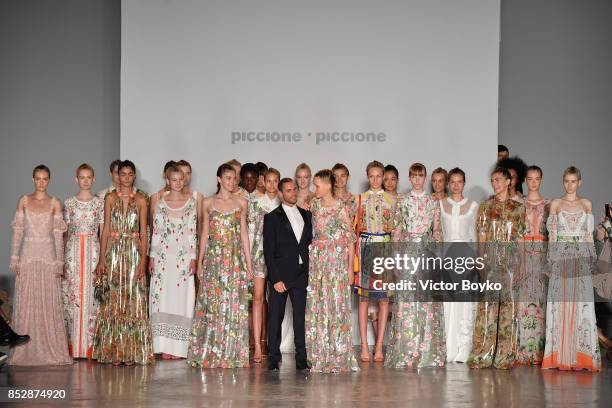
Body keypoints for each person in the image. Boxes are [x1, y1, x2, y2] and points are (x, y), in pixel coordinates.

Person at [187, 164, 253, 368]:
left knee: (233, 303)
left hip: (234, 259)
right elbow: (204, 233)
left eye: (234, 178)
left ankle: (231, 352)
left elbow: (243, 234)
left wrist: (249, 264)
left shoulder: (242, 202)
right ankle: (211, 350)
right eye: (227, 178)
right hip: (214, 260)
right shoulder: (207, 203)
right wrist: (200, 261)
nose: (232, 182)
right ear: (219, 179)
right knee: (213, 304)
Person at [9, 165, 72, 366]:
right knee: (27, 300)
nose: (41, 182)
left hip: (47, 256)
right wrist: (14, 258)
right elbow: (18, 231)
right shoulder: (24, 201)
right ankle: (23, 352)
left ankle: (51, 349)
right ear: (33, 179)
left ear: (49, 180)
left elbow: (57, 236)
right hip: (27, 255)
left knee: (48, 301)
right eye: (38, 178)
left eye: (45, 179)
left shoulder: (55, 203)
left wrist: (59, 263)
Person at [92, 160, 154, 365]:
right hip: (114, 253)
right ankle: (114, 350)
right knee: (114, 299)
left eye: (130, 174)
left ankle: (132, 351)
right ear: (117, 176)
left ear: (134, 176)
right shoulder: (110, 198)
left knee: (133, 300)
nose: (126, 178)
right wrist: (102, 260)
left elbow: (145, 232)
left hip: (135, 252)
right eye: (123, 174)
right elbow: (106, 230)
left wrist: (143, 262)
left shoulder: (142, 199)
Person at [385, 163, 445, 368]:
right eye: (414, 176)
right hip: (408, 252)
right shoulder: (402, 201)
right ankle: (407, 350)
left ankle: (426, 350)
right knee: (407, 300)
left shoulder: (432, 202)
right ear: (409, 178)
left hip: (427, 252)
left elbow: (437, 231)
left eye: (421, 176)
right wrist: (395, 258)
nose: (418, 180)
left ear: (425, 178)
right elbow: (396, 231)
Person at [542, 166, 601, 371]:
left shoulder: (587, 204)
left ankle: (580, 356)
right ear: (563, 181)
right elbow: (553, 237)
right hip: (561, 258)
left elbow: (587, 236)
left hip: (581, 258)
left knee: (581, 305)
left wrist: (592, 261)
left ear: (579, 182)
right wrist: (550, 261)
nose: (569, 185)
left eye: (573, 181)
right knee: (560, 305)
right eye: (566, 181)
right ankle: (560, 356)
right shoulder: (556, 204)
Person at [467, 167, 527, 370]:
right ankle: (482, 354)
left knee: (509, 310)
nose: (495, 183)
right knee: (487, 310)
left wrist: (521, 265)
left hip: (511, 263)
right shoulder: (485, 207)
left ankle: (504, 356)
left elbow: (520, 239)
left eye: (499, 180)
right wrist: (481, 261)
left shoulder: (519, 209)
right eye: (492, 180)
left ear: (509, 181)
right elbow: (481, 237)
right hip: (491, 262)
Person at [305, 170, 358, 373]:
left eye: (317, 185)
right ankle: (321, 353)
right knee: (319, 304)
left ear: (328, 185)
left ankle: (338, 353)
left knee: (335, 304)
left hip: (336, 263)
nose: (314, 189)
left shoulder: (341, 208)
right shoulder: (315, 205)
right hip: (318, 263)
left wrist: (349, 269)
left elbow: (351, 239)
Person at [264, 178, 313, 371]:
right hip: (281, 276)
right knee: (276, 317)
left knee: (300, 318)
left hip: (302, 274)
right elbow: (268, 251)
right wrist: (275, 278)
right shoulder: (271, 217)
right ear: (281, 193)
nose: (293, 193)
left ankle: (302, 357)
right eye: (289, 190)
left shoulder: (307, 215)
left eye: (294, 190)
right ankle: (273, 357)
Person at [149, 165, 197, 359]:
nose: (178, 182)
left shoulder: (191, 203)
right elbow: (157, 231)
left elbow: (192, 232)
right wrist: (152, 257)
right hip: (163, 258)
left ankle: (178, 348)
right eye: (174, 179)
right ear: (167, 181)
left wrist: (193, 258)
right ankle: (163, 345)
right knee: (163, 299)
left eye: (180, 179)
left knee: (180, 299)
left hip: (183, 259)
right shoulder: (161, 203)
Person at [354, 161, 397, 362]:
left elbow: (396, 231)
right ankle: (364, 346)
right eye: (372, 176)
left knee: (383, 299)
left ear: (383, 177)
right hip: (366, 248)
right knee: (364, 299)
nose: (375, 180)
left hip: (385, 248)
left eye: (379, 176)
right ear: (367, 176)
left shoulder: (392, 200)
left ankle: (379, 346)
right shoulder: (359, 199)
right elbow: (354, 231)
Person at [62, 163, 105, 359]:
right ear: (76, 179)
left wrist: (102, 258)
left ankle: (89, 347)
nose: (86, 181)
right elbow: (64, 233)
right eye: (82, 177)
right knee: (73, 295)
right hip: (73, 251)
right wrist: (61, 258)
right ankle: (73, 347)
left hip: (93, 250)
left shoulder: (99, 203)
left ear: (94, 179)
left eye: (89, 177)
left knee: (91, 297)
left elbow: (103, 232)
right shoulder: (69, 203)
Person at [440, 167, 479, 363]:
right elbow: (438, 235)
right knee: (448, 302)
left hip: (465, 255)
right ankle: (448, 346)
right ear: (448, 183)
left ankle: (464, 347)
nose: (456, 185)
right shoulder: (440, 205)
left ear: (464, 183)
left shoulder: (473, 206)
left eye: (459, 181)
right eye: (452, 181)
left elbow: (475, 235)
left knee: (464, 301)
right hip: (447, 255)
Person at [248, 168, 281, 362]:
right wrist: (250, 259)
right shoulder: (255, 204)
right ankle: (258, 346)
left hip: (278, 258)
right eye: (268, 181)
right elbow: (251, 232)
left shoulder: (283, 203)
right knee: (258, 298)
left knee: (276, 301)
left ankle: (270, 341)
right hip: (259, 254)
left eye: (275, 181)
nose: (271, 184)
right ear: (264, 182)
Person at [517, 166, 549, 365]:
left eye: (537, 178)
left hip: (542, 256)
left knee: (541, 300)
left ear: (541, 180)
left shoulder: (549, 204)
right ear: (526, 180)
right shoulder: (519, 204)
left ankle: (539, 350)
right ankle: (523, 350)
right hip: (524, 255)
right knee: (523, 299)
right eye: (530, 179)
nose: (534, 182)